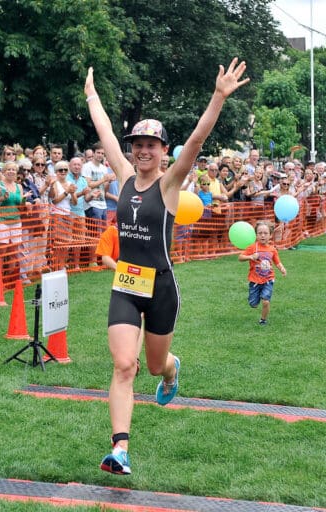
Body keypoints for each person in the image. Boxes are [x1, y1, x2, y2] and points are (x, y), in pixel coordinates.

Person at [85, 57, 249, 475]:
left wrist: (217, 97)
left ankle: (173, 371)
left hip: (161, 287)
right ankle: (119, 449)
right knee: (125, 365)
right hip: (125, 283)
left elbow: (195, 140)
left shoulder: (171, 182)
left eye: (150, 145)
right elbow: (104, 131)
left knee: (155, 365)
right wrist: (91, 95)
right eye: (137, 144)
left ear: (162, 151)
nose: (142, 150)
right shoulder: (122, 175)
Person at [238, 221, 287, 325]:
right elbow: (240, 257)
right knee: (253, 304)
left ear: (270, 235)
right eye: (260, 233)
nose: (263, 235)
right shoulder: (252, 247)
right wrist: (250, 257)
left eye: (265, 233)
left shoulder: (272, 249)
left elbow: (277, 262)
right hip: (254, 280)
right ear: (256, 235)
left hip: (268, 280)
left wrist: (282, 269)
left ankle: (263, 320)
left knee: (265, 301)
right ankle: (255, 299)